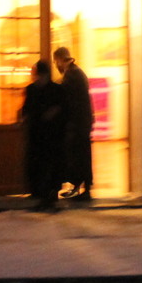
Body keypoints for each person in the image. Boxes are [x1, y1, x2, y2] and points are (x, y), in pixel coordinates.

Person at [19, 59, 66, 207]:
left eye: (36, 74)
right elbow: (26, 107)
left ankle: (52, 191)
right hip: (36, 133)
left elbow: (64, 109)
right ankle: (37, 191)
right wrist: (23, 117)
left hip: (52, 134)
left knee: (51, 162)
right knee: (36, 162)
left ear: (44, 74)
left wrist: (54, 113)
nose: (35, 77)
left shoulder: (56, 90)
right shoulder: (31, 89)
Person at [52, 46, 94, 200]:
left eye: (56, 61)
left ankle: (85, 191)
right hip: (82, 121)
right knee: (79, 155)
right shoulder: (76, 72)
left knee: (79, 155)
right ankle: (78, 188)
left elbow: (65, 95)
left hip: (79, 123)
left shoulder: (72, 75)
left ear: (61, 59)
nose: (56, 65)